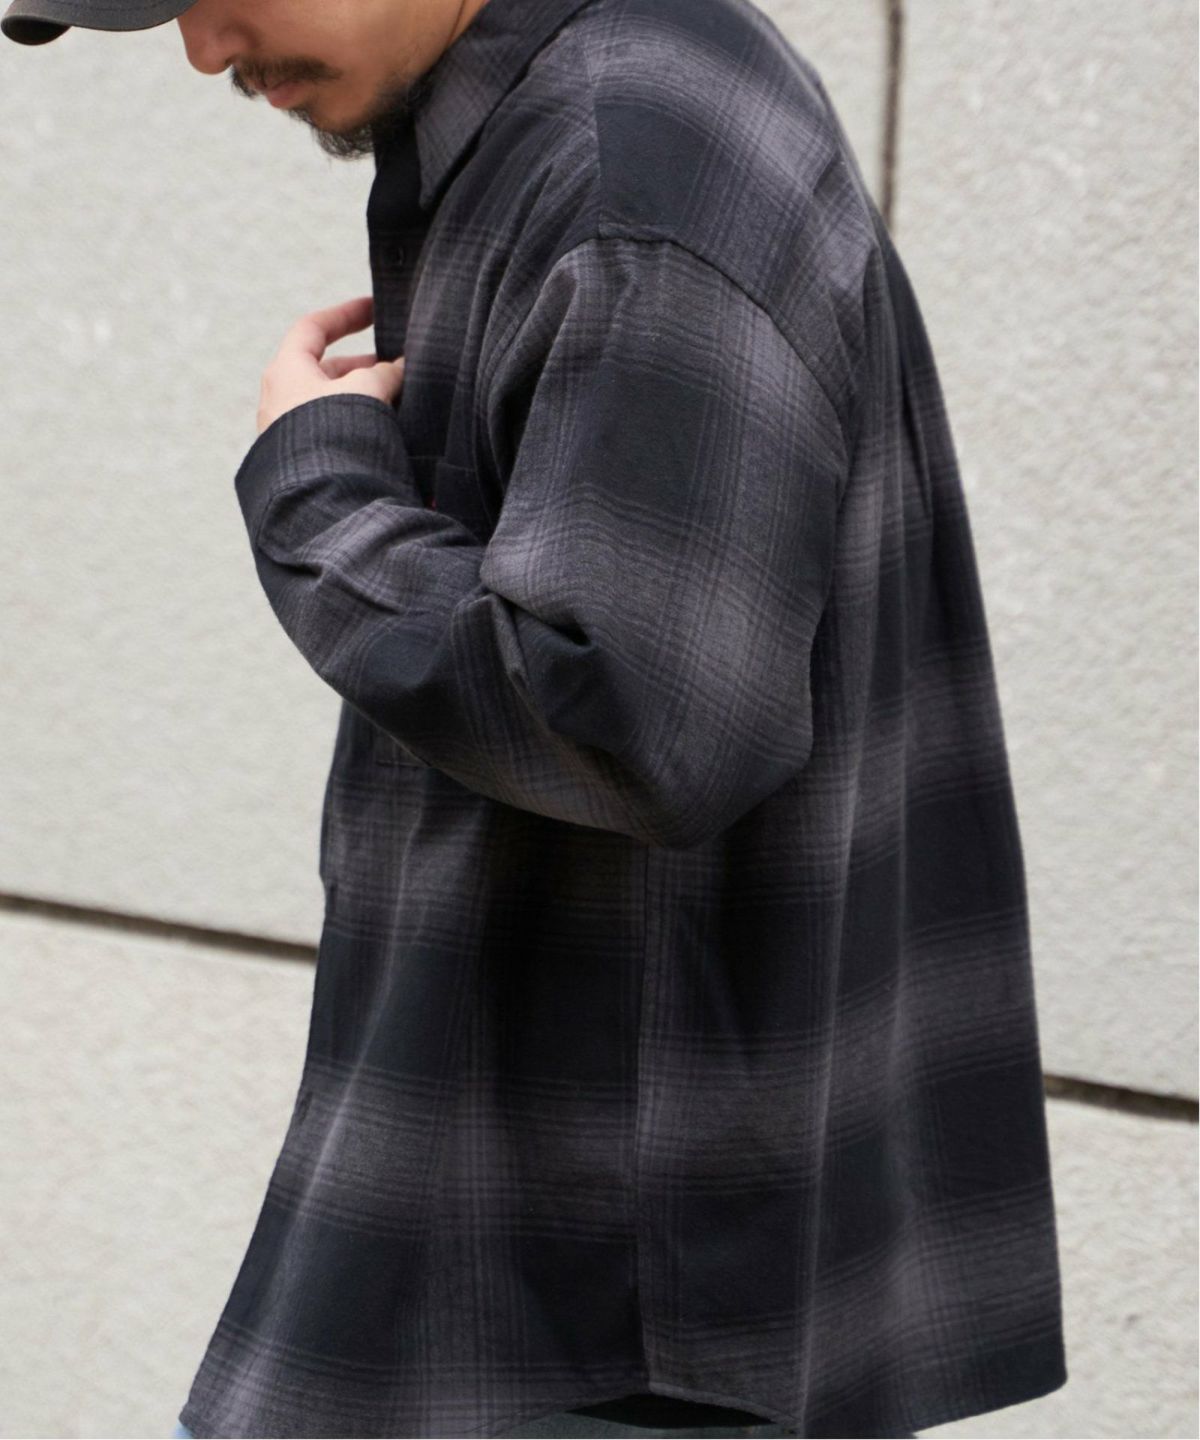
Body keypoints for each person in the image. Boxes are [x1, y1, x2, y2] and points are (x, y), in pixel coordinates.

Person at [3, 2, 1068, 1437]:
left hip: (597, 1312)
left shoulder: (631, 169)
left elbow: (632, 716)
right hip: (573, 1270)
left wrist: (316, 492)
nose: (203, 49)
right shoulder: (588, 125)